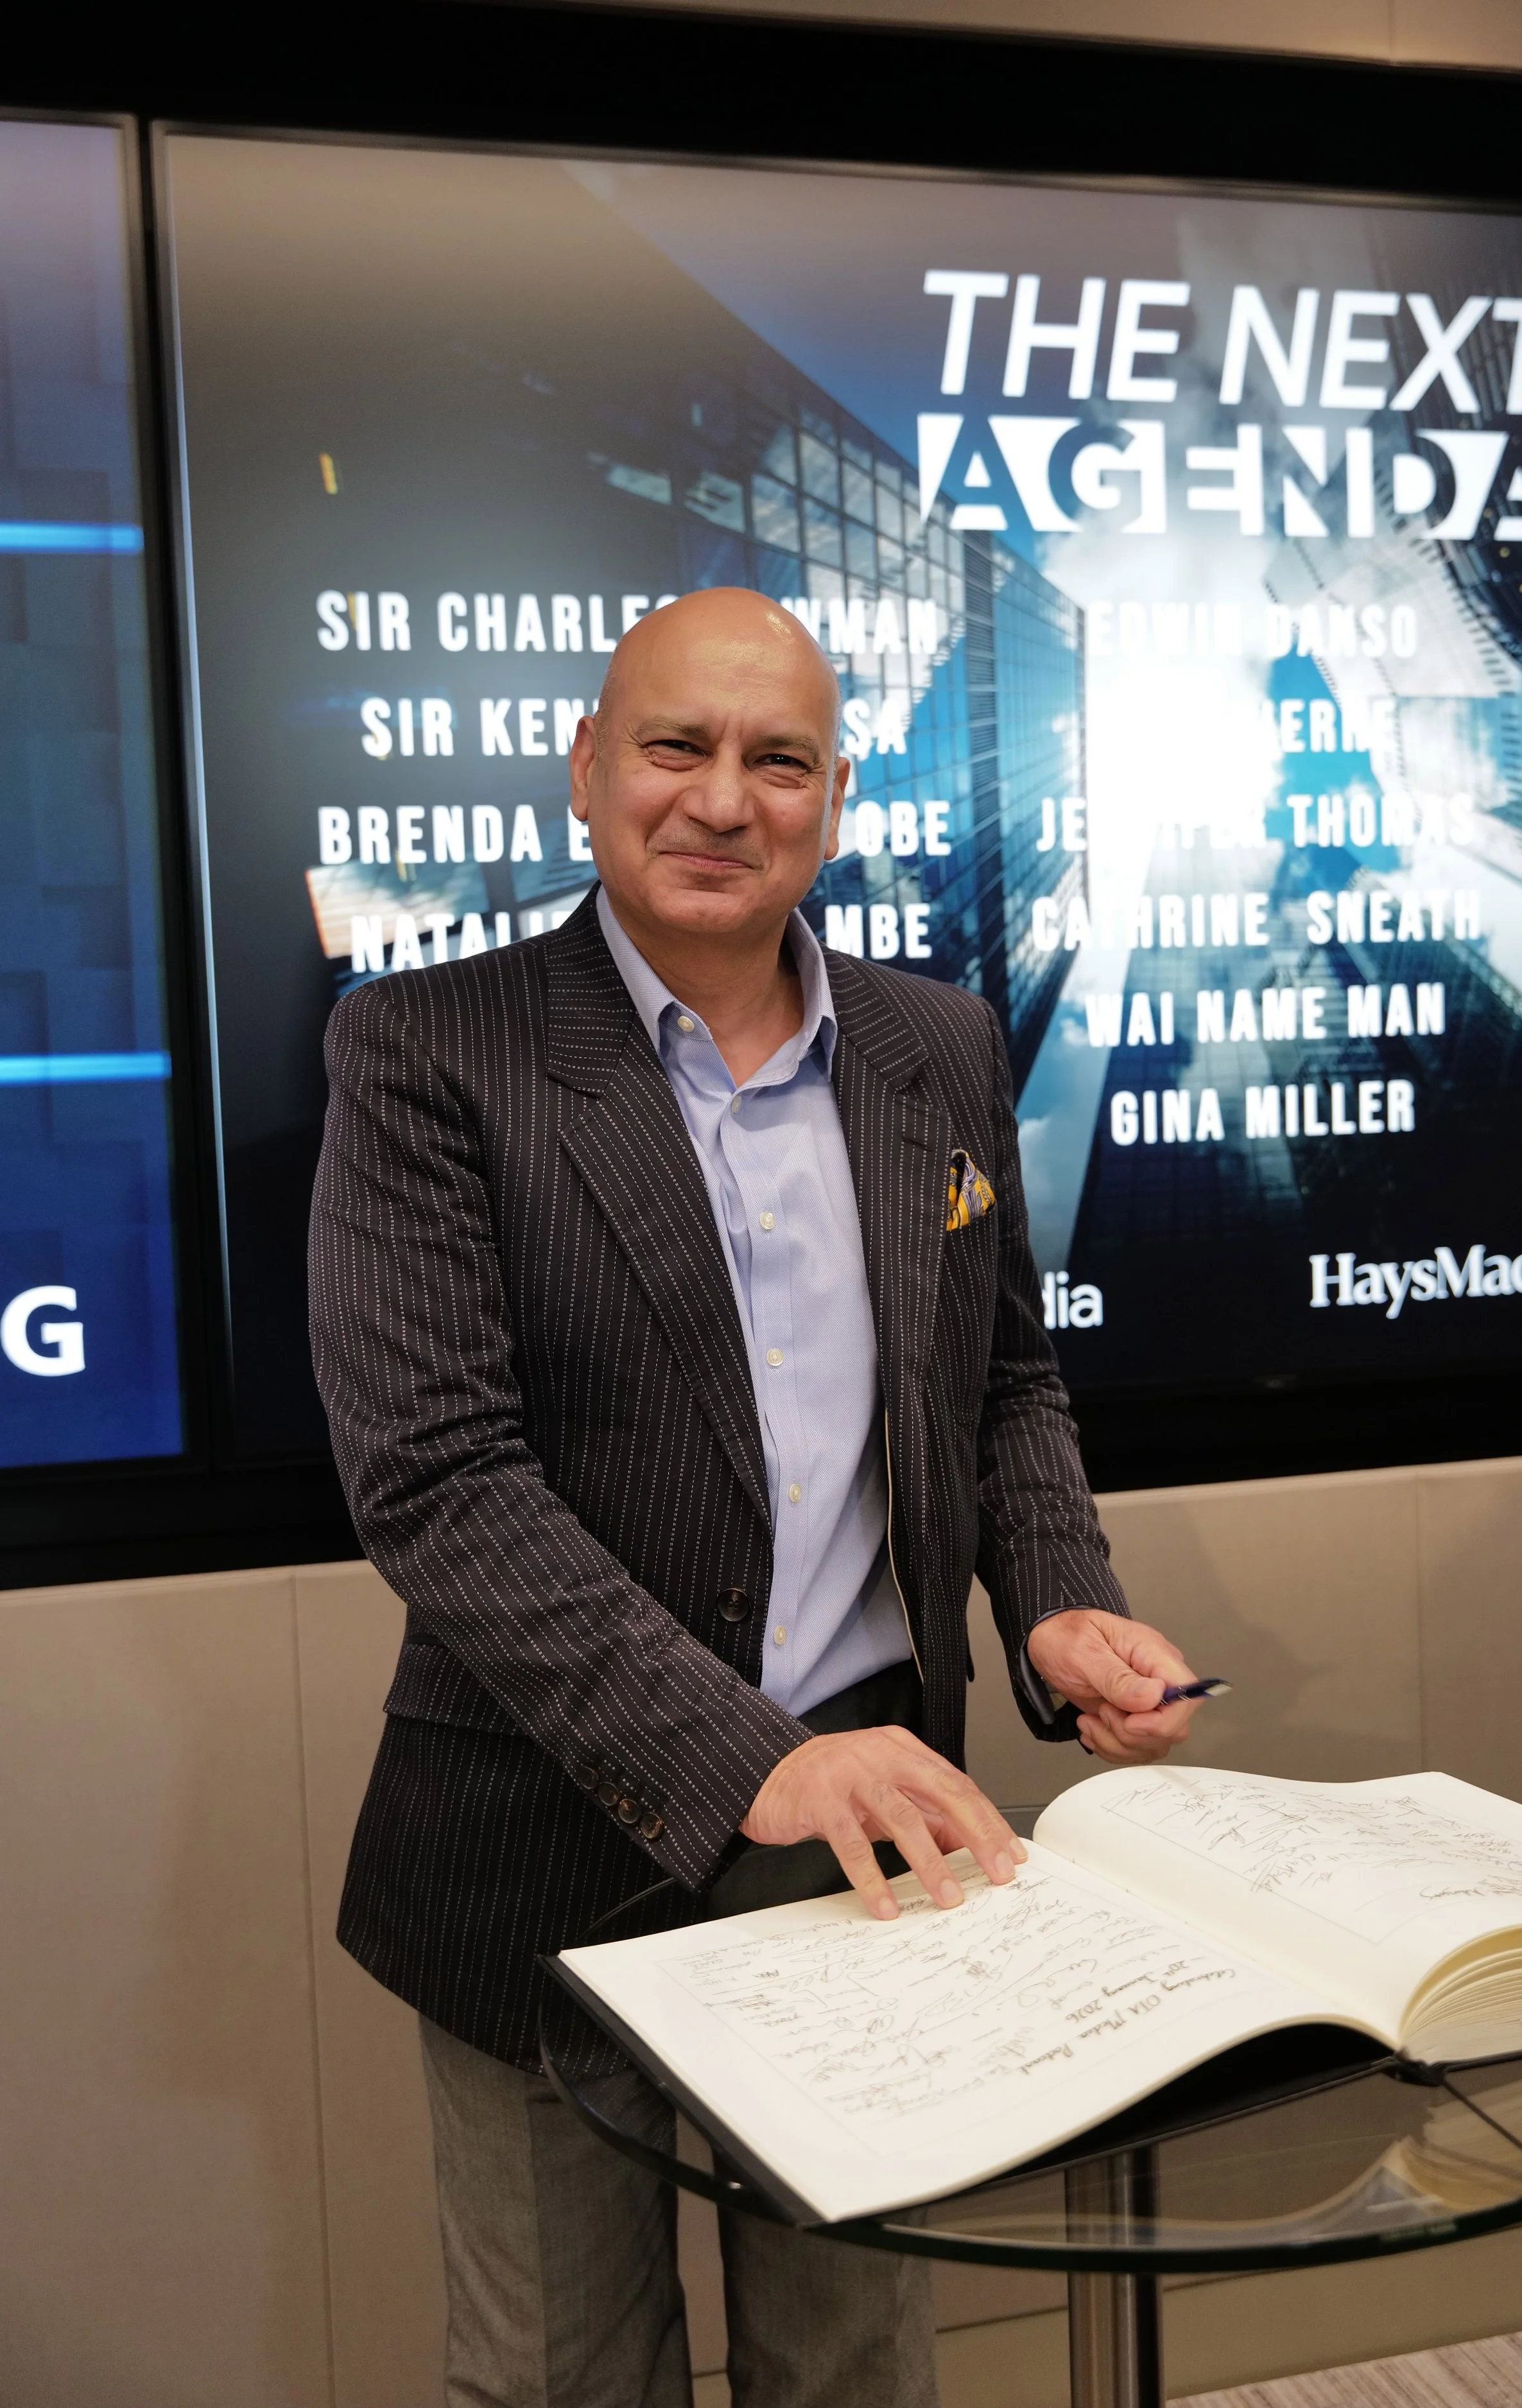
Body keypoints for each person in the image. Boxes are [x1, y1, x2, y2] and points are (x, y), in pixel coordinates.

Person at [309, 587, 1202, 2408]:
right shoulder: (428, 1051)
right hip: (540, 1845)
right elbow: (438, 1482)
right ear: (586, 770)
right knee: (567, 2375)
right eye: (676, 746)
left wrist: (1051, 1592)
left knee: (854, 2359)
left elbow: (1002, 1376)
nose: (722, 799)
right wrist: (746, 1755)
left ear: (834, 797)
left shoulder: (935, 1045)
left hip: (876, 1839)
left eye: (775, 759)